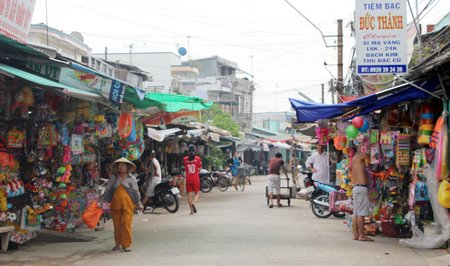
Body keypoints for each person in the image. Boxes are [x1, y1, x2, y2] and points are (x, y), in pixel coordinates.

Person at [100, 157, 143, 252]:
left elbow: (136, 191)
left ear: (127, 167)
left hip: (128, 204)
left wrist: (139, 203)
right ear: (117, 167)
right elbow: (108, 190)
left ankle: (126, 244)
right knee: (117, 225)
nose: (121, 167)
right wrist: (103, 202)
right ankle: (118, 244)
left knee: (127, 223)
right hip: (115, 204)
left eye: (123, 165)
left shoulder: (131, 179)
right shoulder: (113, 178)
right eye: (120, 165)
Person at [350, 145, 373, 242]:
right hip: (361, 188)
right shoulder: (359, 156)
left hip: (356, 188)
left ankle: (356, 234)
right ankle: (361, 235)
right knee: (361, 214)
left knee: (356, 213)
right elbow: (372, 154)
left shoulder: (354, 158)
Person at [184, 144, 202, 215]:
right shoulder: (197, 158)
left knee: (189, 195)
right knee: (197, 193)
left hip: (188, 178)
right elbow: (200, 168)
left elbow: (185, 168)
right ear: (195, 150)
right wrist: (197, 172)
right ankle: (193, 203)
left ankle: (191, 210)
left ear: (188, 150)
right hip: (195, 177)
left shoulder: (185, 159)